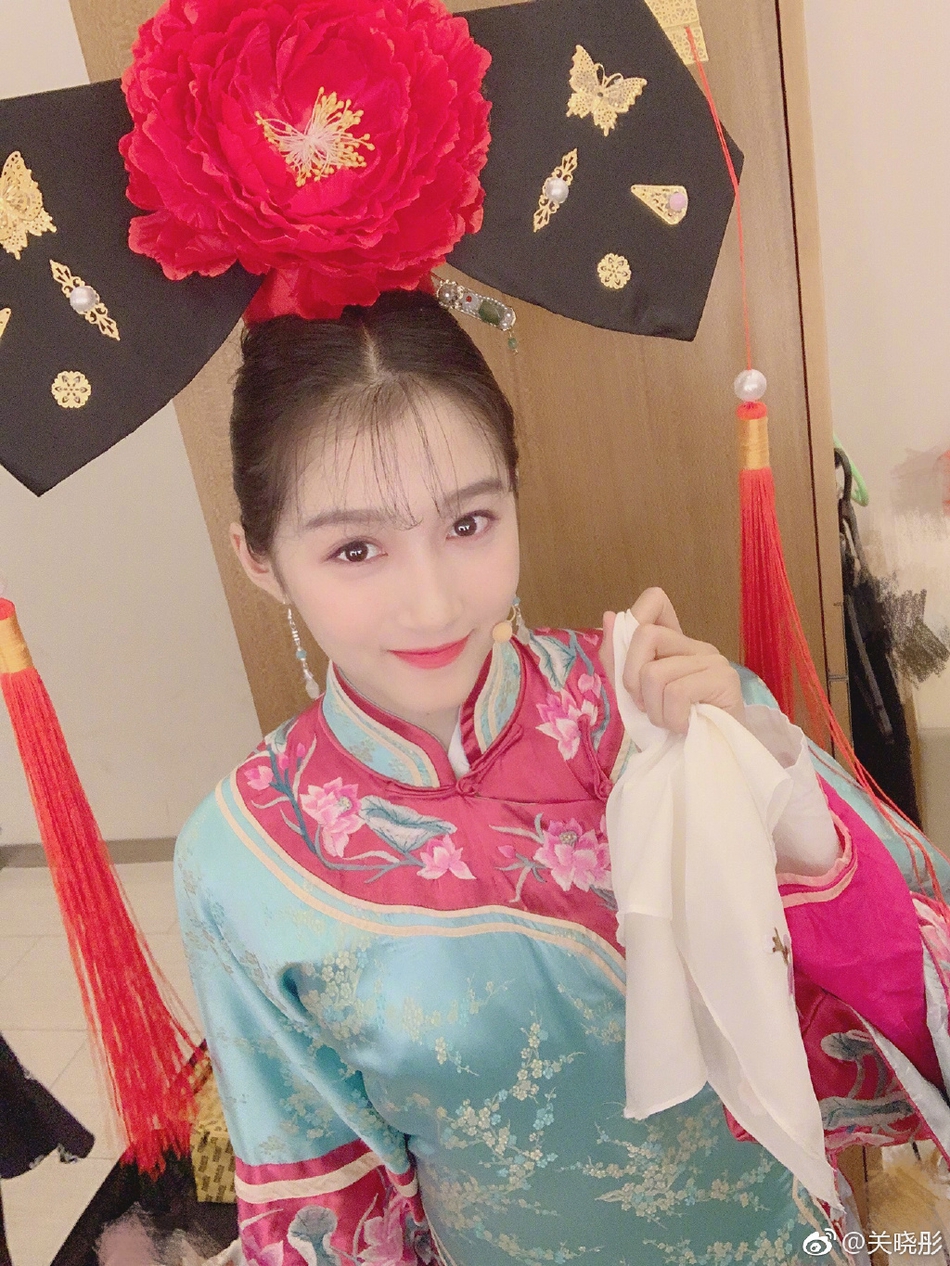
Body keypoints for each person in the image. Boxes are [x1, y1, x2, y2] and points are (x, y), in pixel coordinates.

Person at [175, 291, 950, 1266]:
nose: (432, 601)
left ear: (513, 492)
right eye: (355, 549)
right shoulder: (244, 859)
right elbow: (327, 1204)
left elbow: (912, 995)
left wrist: (762, 775)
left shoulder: (660, 710)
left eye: (469, 522)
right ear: (259, 558)